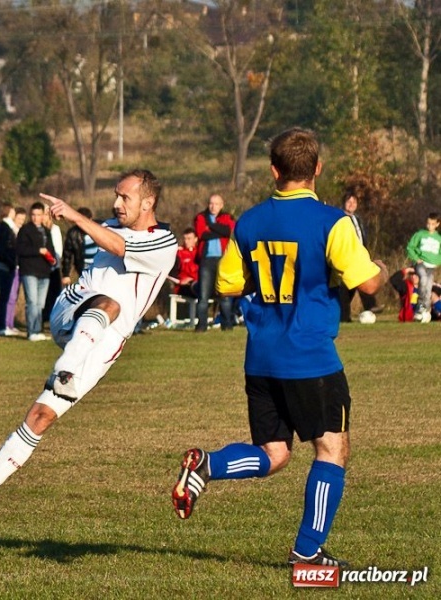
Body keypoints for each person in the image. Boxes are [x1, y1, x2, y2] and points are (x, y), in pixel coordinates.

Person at [170, 128, 386, 567]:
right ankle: (307, 552)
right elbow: (366, 283)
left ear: (274, 170)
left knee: (275, 453)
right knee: (332, 450)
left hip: (261, 358)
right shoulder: (333, 222)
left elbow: (229, 284)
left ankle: (206, 466)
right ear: (318, 169)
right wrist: (380, 266)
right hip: (310, 357)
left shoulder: (248, 221)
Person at [0, 169, 177, 523]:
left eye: (125, 197)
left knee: (40, 417)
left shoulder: (164, 241)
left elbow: (121, 247)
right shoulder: (109, 224)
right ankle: (65, 369)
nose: (116, 203)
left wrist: (75, 214)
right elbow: (111, 245)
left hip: (103, 342)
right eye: (116, 195)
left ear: (148, 202)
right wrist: (78, 219)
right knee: (109, 302)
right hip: (75, 308)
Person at [193, 193, 235, 331]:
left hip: (223, 260)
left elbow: (229, 231)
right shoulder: (200, 217)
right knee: (203, 296)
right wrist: (219, 230)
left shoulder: (227, 217)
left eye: (216, 204)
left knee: (224, 295)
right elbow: (201, 234)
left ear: (221, 205)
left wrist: (210, 226)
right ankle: (201, 326)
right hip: (206, 260)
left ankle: (227, 324)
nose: (213, 206)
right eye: (211, 203)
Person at [17, 201, 56, 341]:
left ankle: (38, 330)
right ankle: (31, 331)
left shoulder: (46, 231)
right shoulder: (25, 230)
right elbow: (20, 249)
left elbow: (51, 248)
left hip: (44, 272)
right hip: (29, 271)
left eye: (38, 215)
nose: (35, 217)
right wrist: (38, 251)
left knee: (40, 304)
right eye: (33, 214)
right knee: (32, 302)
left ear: (43, 216)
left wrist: (53, 258)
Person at [337, 191, 377, 322]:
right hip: (346, 257)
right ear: (344, 203)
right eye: (349, 202)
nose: (351, 204)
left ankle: (370, 306)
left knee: (355, 285)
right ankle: (346, 315)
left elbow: (361, 237)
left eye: (354, 202)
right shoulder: (339, 218)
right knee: (347, 287)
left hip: (359, 257)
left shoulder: (357, 219)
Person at [0, 204, 24, 336]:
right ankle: (2, 325)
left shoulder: (4, 227)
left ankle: (7, 324)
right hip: (6, 266)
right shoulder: (5, 228)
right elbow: (4, 248)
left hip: (8, 265)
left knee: (8, 297)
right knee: (4, 297)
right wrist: (11, 262)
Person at [405, 212, 441, 321]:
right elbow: (410, 247)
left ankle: (424, 309)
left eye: (432, 224)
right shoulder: (420, 234)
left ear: (437, 224)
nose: (430, 226)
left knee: (428, 287)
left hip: (431, 266)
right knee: (423, 279)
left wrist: (437, 261)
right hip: (421, 264)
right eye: (428, 223)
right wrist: (416, 259)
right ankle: (421, 306)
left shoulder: (439, 238)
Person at [60, 207, 98, 286]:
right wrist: (66, 274)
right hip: (84, 269)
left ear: (90, 219)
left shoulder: (100, 228)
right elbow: (67, 255)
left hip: (100, 267)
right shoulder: (73, 233)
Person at [42, 204, 64, 329]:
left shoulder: (54, 229)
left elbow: (58, 251)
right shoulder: (36, 229)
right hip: (40, 268)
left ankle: (53, 321)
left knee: (54, 295)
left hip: (53, 267)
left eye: (46, 214)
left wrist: (51, 260)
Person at [174, 228, 199, 297]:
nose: (186, 241)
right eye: (185, 239)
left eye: (189, 239)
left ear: (195, 239)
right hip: (183, 285)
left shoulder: (200, 252)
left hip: (197, 282)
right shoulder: (179, 253)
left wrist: (194, 279)